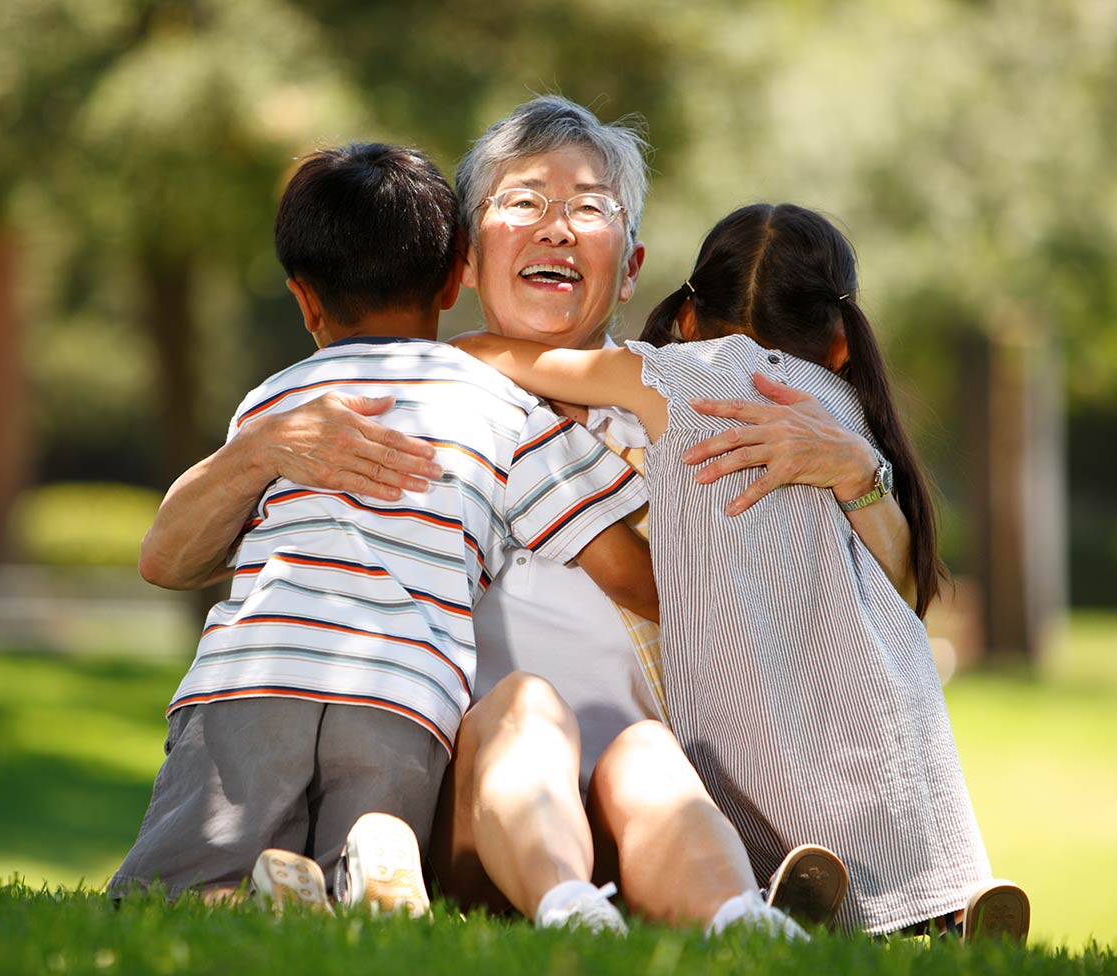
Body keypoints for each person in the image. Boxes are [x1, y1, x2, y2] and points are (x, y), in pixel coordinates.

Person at [137, 97, 901, 936]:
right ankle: (573, 900)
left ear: (633, 263)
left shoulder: (685, 415)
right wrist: (262, 451)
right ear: (466, 257)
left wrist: (862, 478)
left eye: (588, 207)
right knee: (523, 705)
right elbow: (184, 554)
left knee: (645, 754)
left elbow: (864, 611)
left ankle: (745, 913)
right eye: (525, 201)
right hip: (452, 803)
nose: (557, 228)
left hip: (645, 808)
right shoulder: (398, 403)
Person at [453, 201, 1030, 938]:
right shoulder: (846, 409)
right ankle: (946, 902)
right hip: (880, 693)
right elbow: (904, 592)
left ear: (690, 319)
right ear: (841, 340)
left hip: (755, 682)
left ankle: (774, 888)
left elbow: (512, 360)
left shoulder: (674, 377)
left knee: (749, 775)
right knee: (883, 788)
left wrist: (453, 348)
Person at [108, 142, 659, 910]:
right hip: (402, 694)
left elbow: (175, 554)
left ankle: (227, 896)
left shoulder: (277, 399)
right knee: (358, 879)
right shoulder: (500, 408)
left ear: (305, 301)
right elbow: (629, 573)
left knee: (177, 885)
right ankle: (373, 860)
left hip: (254, 674)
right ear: (451, 277)